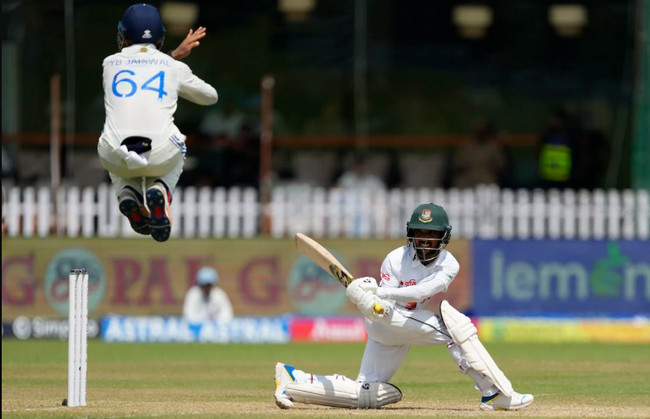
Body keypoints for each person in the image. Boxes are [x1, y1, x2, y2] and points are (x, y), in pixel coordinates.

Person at [274, 203, 534, 411]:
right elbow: (383, 310)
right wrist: (371, 303)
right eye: (420, 234)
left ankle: (292, 380)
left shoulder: (448, 263)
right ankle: (494, 392)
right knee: (456, 328)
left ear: (444, 237)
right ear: (411, 234)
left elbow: (424, 291)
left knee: (363, 393)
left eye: (432, 235)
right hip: (387, 322)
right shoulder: (395, 259)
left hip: (403, 323)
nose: (425, 241)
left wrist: (379, 292)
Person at [97, 3, 218, 242]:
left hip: (114, 155)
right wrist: (176, 66)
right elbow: (210, 97)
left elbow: (143, 68)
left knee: (113, 135)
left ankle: (126, 192)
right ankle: (161, 188)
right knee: (180, 143)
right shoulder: (173, 66)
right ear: (160, 37)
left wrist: (172, 58)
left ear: (125, 35)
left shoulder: (109, 64)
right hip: (161, 154)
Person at [451, 120, 507, 188]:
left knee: (491, 185)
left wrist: (495, 169)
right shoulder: (467, 145)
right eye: (479, 131)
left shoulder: (494, 146)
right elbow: (458, 164)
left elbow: (500, 166)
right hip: (469, 174)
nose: (481, 133)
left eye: (483, 131)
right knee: (460, 183)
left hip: (487, 174)